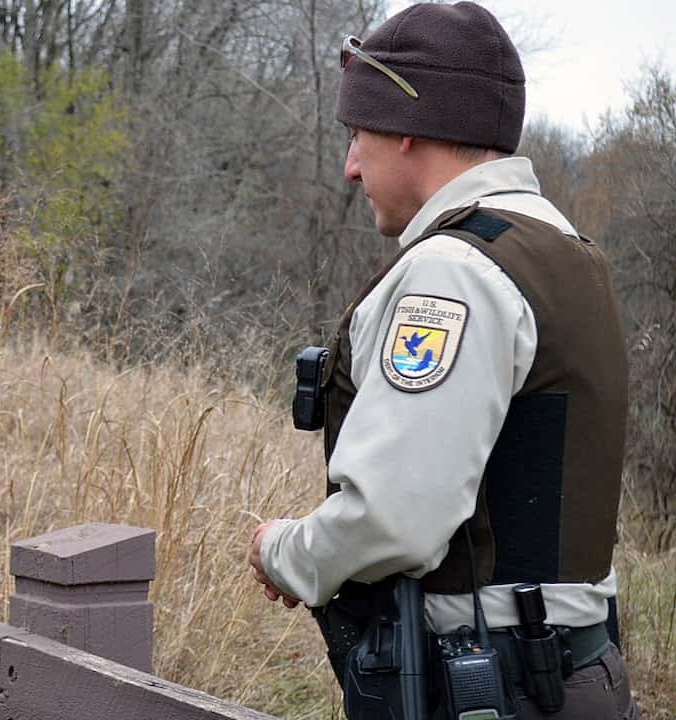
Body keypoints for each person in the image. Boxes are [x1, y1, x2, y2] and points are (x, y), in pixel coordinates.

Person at [247, 3, 639, 719]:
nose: (350, 166)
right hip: (570, 672)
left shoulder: (454, 273)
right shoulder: (568, 251)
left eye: (358, 134)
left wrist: (287, 552)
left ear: (406, 132)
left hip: (493, 689)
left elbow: (394, 517)